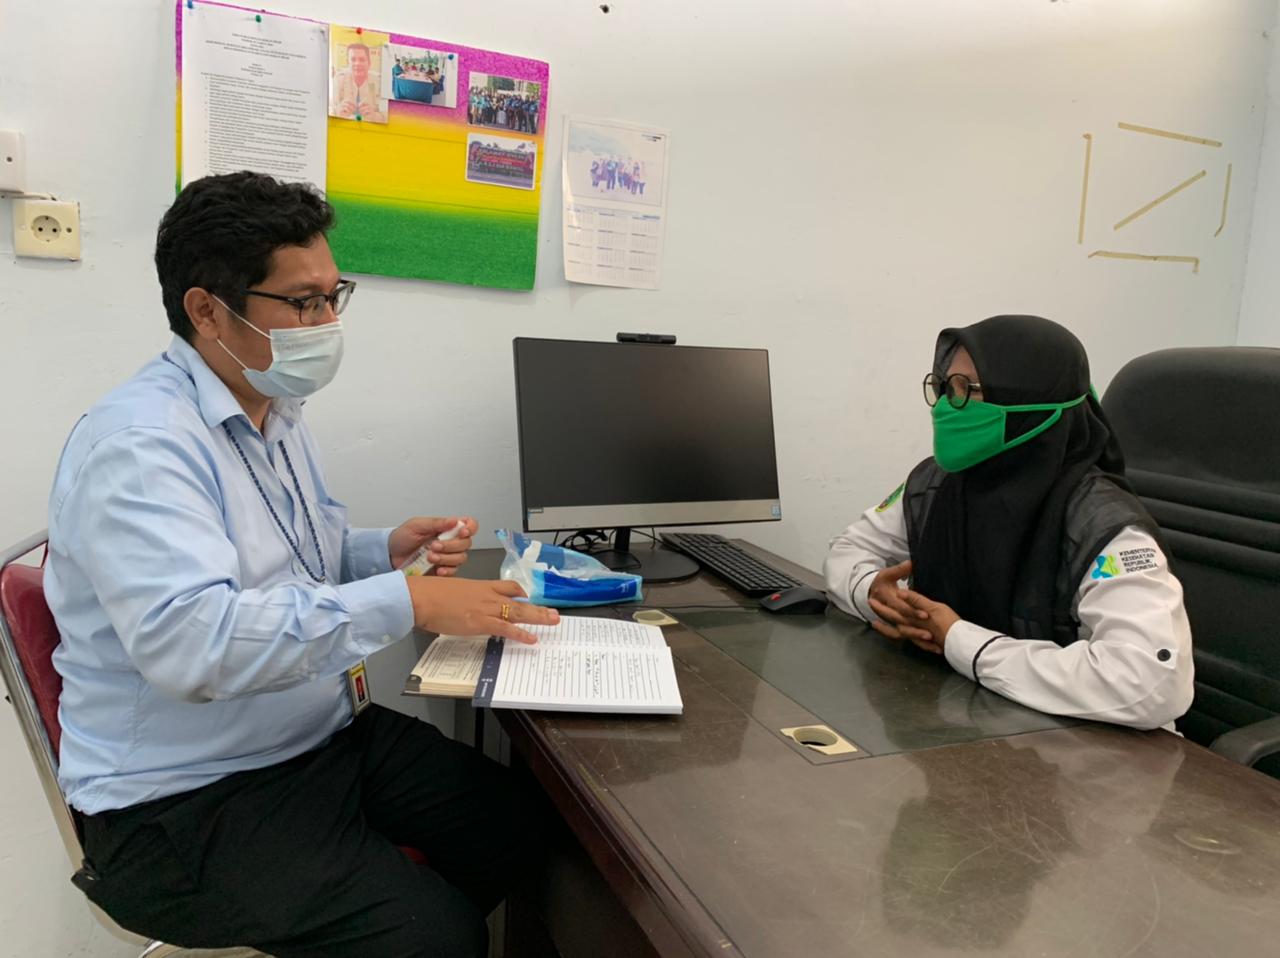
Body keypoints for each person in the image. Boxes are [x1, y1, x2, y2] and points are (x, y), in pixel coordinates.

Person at [45, 171, 559, 958]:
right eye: (304, 302)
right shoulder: (142, 447)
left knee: (523, 829)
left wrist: (381, 552)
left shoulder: (273, 409)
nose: (327, 322)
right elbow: (195, 646)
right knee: (435, 939)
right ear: (206, 310)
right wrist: (411, 603)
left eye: (333, 295)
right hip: (183, 798)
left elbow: (289, 563)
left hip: (312, 738)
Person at [823, 315, 1194, 731]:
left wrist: (960, 641)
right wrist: (877, 597)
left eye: (967, 390)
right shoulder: (939, 482)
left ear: (1028, 400)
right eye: (944, 387)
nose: (946, 406)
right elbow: (848, 551)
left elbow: (1150, 683)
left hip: (1092, 751)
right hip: (969, 718)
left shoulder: (1103, 524)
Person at [332, 42, 386, 122]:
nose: (357, 64)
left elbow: (387, 115)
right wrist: (337, 112)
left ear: (369, 63)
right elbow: (329, 108)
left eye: (362, 60)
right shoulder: (339, 79)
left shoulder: (379, 82)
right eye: (353, 60)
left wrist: (375, 116)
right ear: (348, 63)